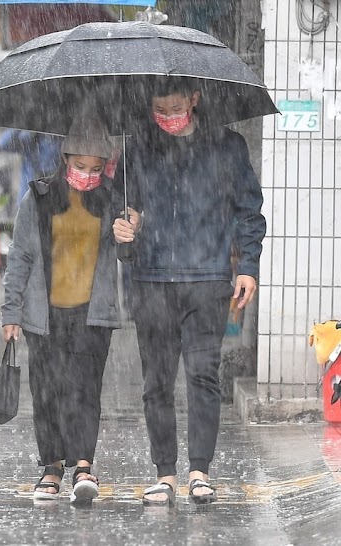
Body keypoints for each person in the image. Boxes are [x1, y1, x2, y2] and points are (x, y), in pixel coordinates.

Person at [112, 77, 266, 506]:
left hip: (207, 281)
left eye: (174, 110)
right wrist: (125, 225)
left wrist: (248, 267)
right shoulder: (138, 145)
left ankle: (201, 471)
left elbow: (249, 211)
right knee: (156, 383)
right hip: (152, 281)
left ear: (195, 100)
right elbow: (122, 206)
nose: (167, 120)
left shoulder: (227, 146)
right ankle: (165, 474)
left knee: (203, 376)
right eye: (159, 112)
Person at [1, 109, 123, 503]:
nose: (87, 173)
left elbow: (131, 255)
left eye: (96, 167)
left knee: (86, 391)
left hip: (92, 313)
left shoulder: (112, 201)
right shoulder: (38, 197)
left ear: (106, 167)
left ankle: (84, 466)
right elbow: (19, 256)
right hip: (44, 315)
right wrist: (11, 311)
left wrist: (131, 233)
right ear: (65, 160)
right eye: (80, 165)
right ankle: (52, 467)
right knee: (48, 391)